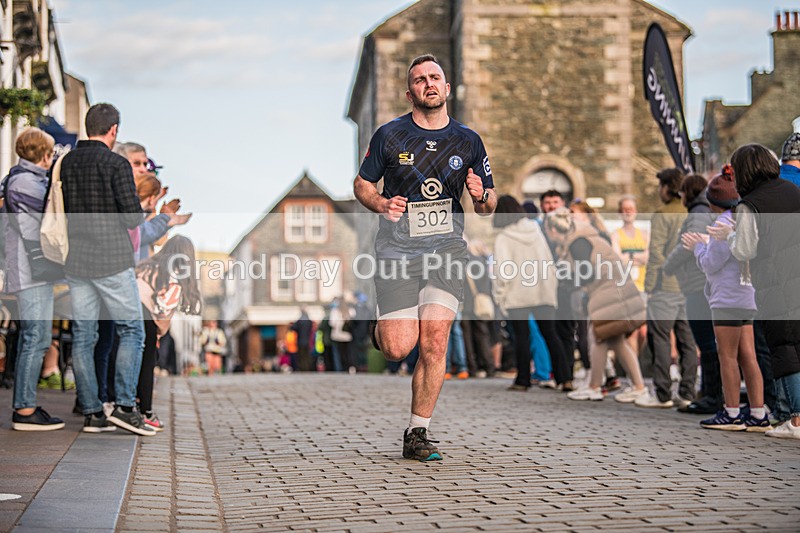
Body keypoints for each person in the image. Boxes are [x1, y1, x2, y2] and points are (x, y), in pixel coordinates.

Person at [353, 54, 496, 461]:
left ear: (447, 88)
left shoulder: (468, 141)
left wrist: (482, 194)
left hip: (446, 251)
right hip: (396, 251)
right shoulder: (390, 135)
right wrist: (381, 204)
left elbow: (488, 203)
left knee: (434, 341)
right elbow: (361, 184)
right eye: (420, 80)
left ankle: (418, 432)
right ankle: (382, 330)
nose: (428, 84)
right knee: (400, 348)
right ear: (410, 91)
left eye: (435, 77)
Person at [60, 103, 155, 436]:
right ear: (113, 130)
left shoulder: (67, 162)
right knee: (133, 331)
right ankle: (126, 407)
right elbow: (131, 218)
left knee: (85, 337)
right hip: (112, 261)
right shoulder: (116, 164)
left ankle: (92, 413)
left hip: (77, 260)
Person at [707, 144, 800, 439]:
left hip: (776, 282)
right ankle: (786, 415)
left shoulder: (750, 205)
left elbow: (745, 249)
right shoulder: (792, 190)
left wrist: (729, 235)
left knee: (785, 348)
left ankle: (795, 419)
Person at [682, 167, 768, 431]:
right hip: (747, 295)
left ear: (713, 202)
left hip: (727, 298)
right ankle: (757, 412)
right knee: (749, 356)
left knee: (727, 356)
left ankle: (730, 412)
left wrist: (697, 246)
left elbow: (711, 263)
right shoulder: (744, 219)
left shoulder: (722, 223)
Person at [544, 208, 648, 403]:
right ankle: (639, 387)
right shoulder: (581, 237)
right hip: (614, 288)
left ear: (553, 230)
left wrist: (567, 278)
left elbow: (587, 274)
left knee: (598, 336)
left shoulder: (577, 243)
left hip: (608, 291)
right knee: (616, 341)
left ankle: (594, 387)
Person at [3, 128, 64, 431]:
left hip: (32, 270)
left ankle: (26, 405)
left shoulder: (27, 180)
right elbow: (51, 215)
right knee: (34, 338)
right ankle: (24, 410)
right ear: (42, 154)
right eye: (51, 152)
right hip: (30, 271)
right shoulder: (25, 182)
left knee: (37, 338)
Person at [636, 168, 698, 409]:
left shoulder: (662, 214)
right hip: (688, 286)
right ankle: (687, 391)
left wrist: (650, 286)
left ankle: (662, 394)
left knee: (660, 339)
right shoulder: (690, 212)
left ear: (666, 187)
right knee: (687, 342)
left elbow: (657, 253)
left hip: (665, 286)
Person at [492, 195, 566, 391]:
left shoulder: (503, 238)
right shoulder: (537, 230)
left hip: (517, 294)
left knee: (522, 337)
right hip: (543, 291)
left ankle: (523, 380)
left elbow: (502, 271)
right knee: (551, 335)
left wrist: (499, 296)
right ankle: (565, 377)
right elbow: (548, 262)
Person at [663, 175, 721, 414]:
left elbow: (689, 245)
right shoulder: (702, 209)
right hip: (700, 283)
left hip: (698, 284)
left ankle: (712, 395)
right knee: (706, 342)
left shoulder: (698, 212)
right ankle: (709, 392)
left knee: (706, 343)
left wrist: (668, 265)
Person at [136, 235, 201, 430]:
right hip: (144, 314)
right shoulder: (174, 276)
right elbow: (163, 315)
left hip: (123, 310)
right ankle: (145, 411)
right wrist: (158, 335)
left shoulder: (145, 266)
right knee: (148, 360)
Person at [291, 307, 314, 371]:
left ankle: (302, 368)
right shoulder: (309, 321)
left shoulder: (299, 321)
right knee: (307, 356)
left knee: (301, 356)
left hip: (300, 341)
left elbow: (293, 328)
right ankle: (307, 368)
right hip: (308, 341)